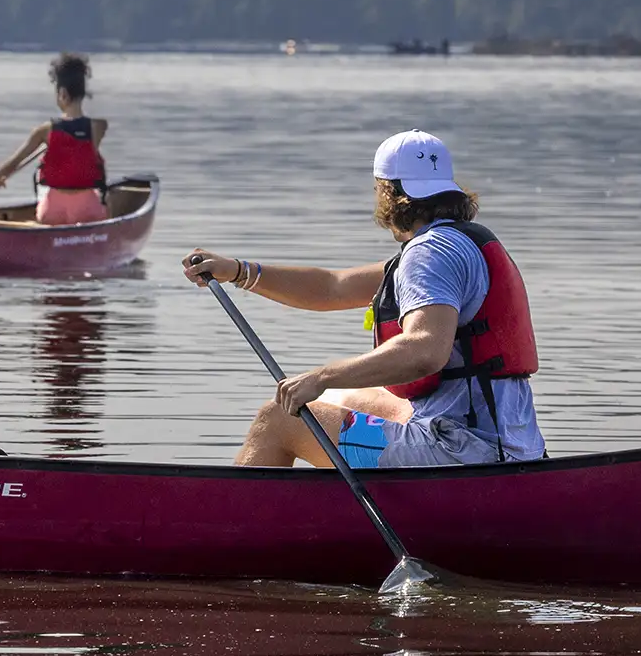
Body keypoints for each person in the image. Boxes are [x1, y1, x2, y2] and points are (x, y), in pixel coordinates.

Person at [182, 129, 544, 469]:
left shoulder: (428, 256)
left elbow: (425, 350)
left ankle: (238, 527)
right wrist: (239, 271)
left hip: (460, 453)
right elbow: (333, 287)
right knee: (342, 402)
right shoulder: (458, 244)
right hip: (506, 444)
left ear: (388, 192)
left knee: (277, 418)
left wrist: (322, 376)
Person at [0, 52, 110, 225]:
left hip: (52, 211)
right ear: (82, 93)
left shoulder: (44, 131)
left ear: (62, 94)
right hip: (87, 210)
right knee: (103, 208)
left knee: (38, 218)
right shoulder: (99, 127)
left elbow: (14, 162)